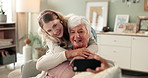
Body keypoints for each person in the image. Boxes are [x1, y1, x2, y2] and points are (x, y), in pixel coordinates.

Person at [35, 9, 98, 78]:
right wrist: (74, 54)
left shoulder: (73, 23)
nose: (55, 31)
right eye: (49, 30)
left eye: (55, 25)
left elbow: (94, 44)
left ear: (60, 19)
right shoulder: (50, 40)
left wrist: (82, 56)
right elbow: (40, 65)